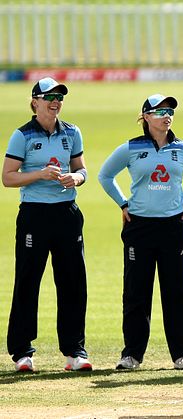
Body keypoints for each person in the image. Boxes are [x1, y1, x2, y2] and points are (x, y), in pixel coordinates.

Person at [98, 94, 183, 371]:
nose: (166, 115)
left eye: (170, 110)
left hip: (173, 225)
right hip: (140, 227)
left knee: (178, 291)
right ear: (146, 116)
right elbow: (105, 175)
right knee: (136, 291)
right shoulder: (131, 148)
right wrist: (123, 204)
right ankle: (132, 354)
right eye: (160, 111)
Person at [3, 77, 92, 372]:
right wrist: (39, 174)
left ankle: (74, 351)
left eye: (59, 97)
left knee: (73, 281)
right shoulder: (23, 135)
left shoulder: (72, 132)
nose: (56, 101)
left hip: (66, 213)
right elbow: (8, 177)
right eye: (49, 96)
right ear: (35, 102)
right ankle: (22, 353)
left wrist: (75, 178)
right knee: (28, 280)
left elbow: (81, 168)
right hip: (34, 215)